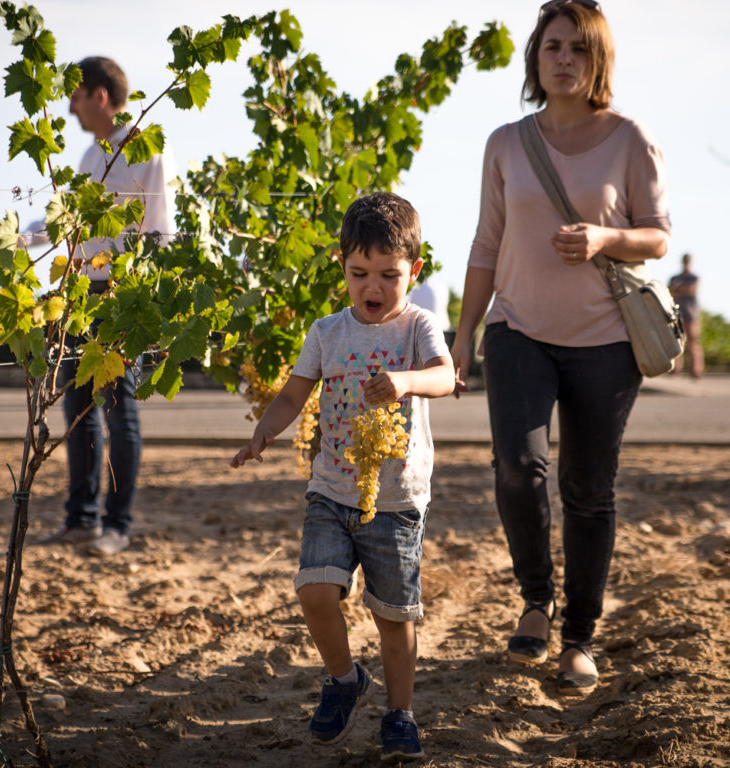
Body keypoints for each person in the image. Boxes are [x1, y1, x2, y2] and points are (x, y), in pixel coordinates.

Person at [450, 0, 670, 696]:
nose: (564, 58)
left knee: (588, 489)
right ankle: (536, 601)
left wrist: (604, 239)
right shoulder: (506, 142)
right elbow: (486, 243)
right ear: (535, 58)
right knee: (518, 467)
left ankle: (579, 637)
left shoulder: (629, 138)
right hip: (516, 329)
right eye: (552, 47)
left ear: (597, 59)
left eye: (578, 48)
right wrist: (462, 337)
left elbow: (658, 235)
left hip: (606, 341)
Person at [231, 192, 455, 761]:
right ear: (342, 266)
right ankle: (344, 678)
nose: (373, 288)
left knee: (393, 617)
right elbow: (293, 394)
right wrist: (265, 432)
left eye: (388, 275)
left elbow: (445, 376)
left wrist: (404, 382)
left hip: (396, 500)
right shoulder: (328, 332)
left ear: (414, 270)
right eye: (359, 274)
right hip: (330, 489)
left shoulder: (417, 328)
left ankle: (399, 714)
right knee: (314, 591)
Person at [36, 56, 177, 556]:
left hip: (121, 298)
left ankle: (118, 526)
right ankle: (82, 521)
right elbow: (68, 225)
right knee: (77, 409)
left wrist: (130, 280)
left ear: (98, 95)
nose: (70, 107)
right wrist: (21, 237)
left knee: (118, 412)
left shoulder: (146, 150)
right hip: (81, 297)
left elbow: (160, 232)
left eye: (75, 96)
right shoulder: (89, 159)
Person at [669, 253, 704, 378]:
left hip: (691, 314)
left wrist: (678, 289)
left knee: (693, 342)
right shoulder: (675, 277)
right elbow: (670, 291)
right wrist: (680, 289)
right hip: (678, 314)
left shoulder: (693, 277)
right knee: (677, 341)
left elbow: (691, 290)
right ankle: (675, 370)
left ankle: (696, 371)